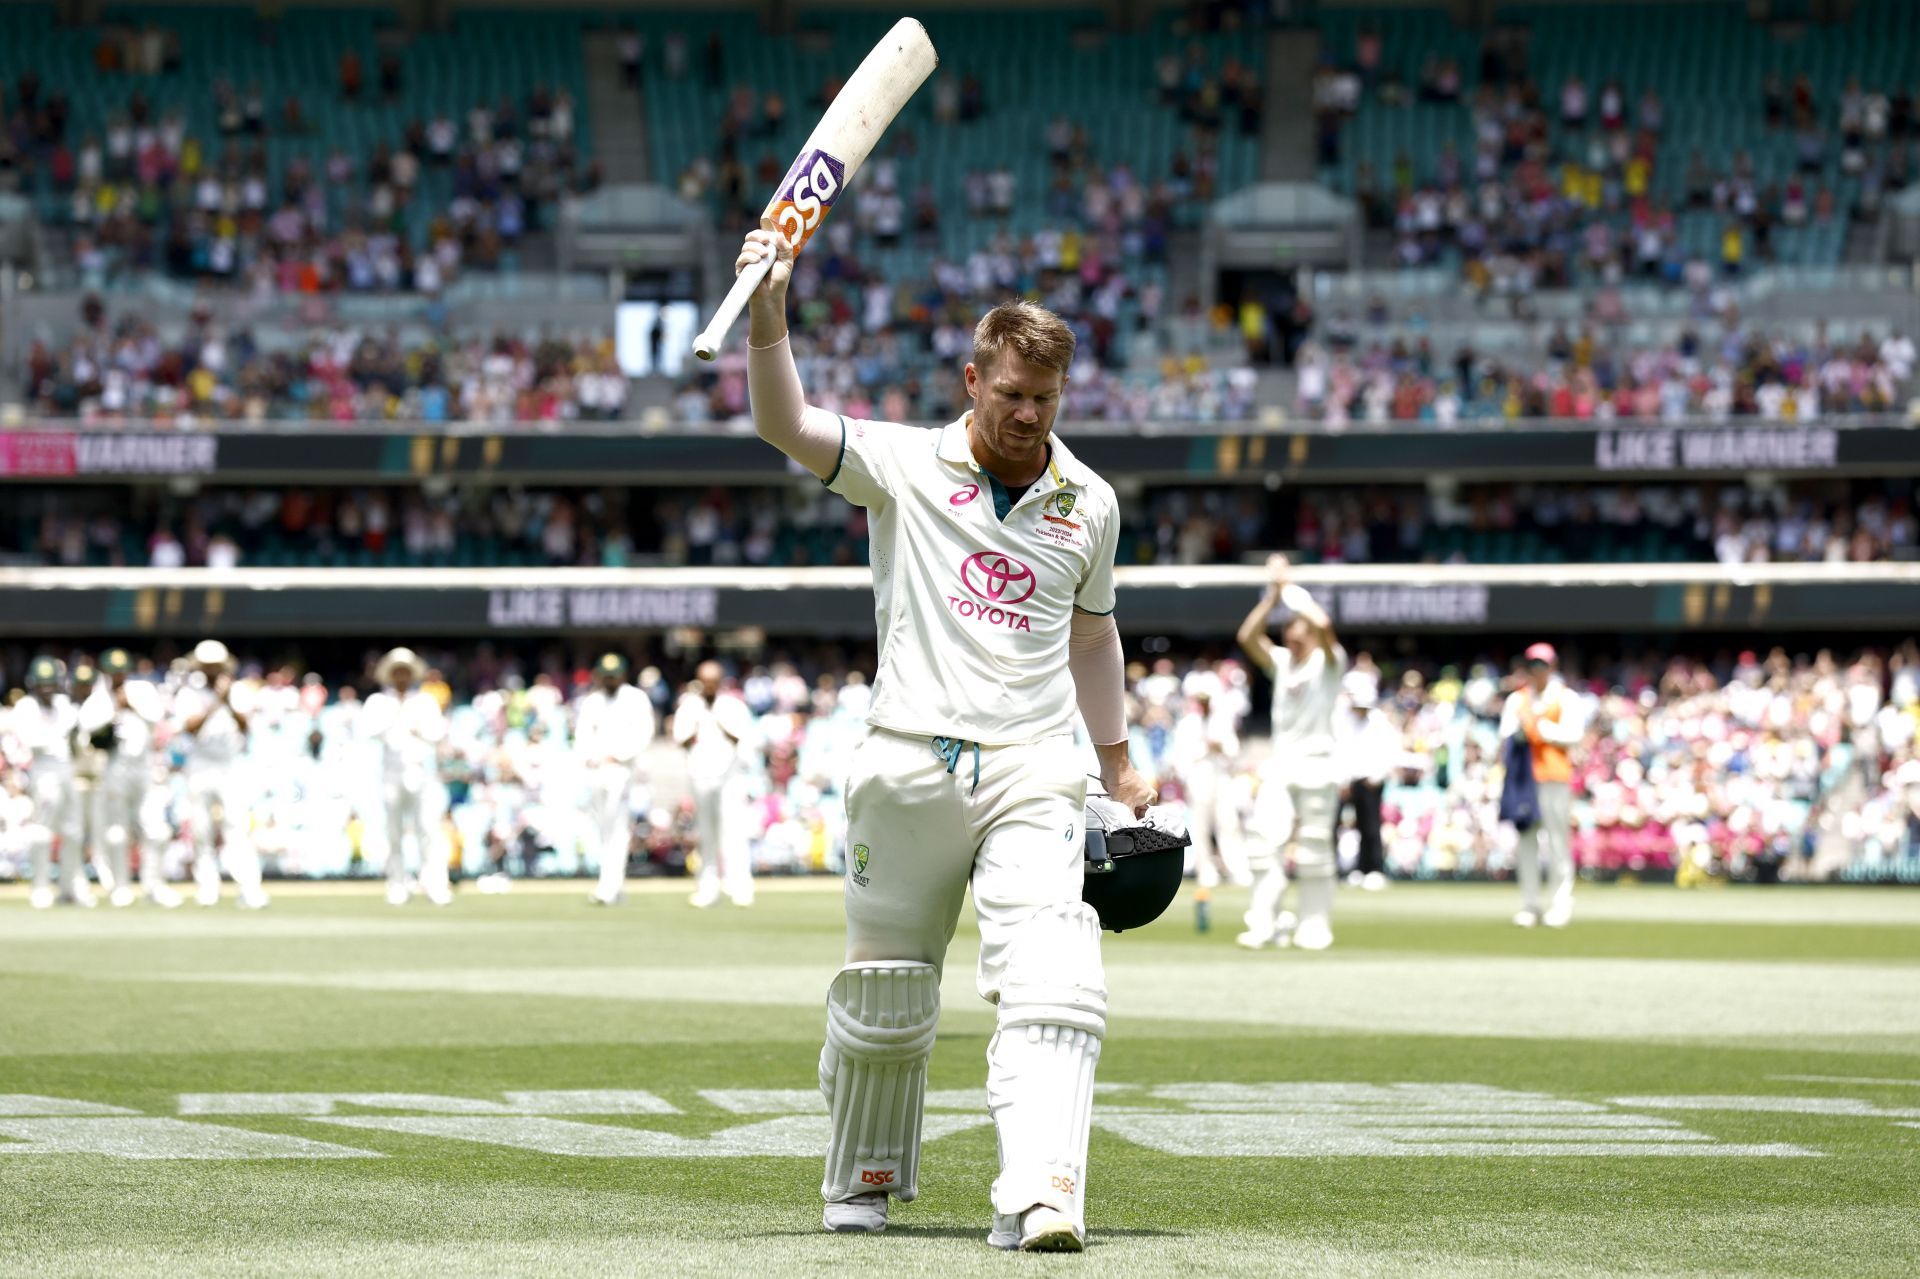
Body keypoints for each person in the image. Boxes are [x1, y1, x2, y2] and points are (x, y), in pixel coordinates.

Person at [735, 222, 1154, 1252]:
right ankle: (865, 1178)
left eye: (1044, 400)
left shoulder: (1087, 501)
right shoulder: (902, 464)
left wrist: (1117, 761)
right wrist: (769, 318)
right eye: (1009, 393)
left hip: (1031, 764)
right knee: (885, 988)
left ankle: (1043, 1193)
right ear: (973, 378)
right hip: (909, 761)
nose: (1025, 415)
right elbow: (784, 423)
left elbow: (1093, 638)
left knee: (1057, 974)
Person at [1235, 554, 1348, 950]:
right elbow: (1247, 638)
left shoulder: (1330, 663)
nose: (1293, 635)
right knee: (1264, 845)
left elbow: (1325, 624)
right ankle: (1263, 923)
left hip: (1319, 765)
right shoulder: (1282, 663)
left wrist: (1290, 589)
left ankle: (1314, 925)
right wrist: (1271, 597)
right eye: (1289, 629)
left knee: (1316, 850)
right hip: (1282, 766)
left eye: (1299, 629)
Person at [171, 639, 270, 909]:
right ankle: (207, 887)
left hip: (230, 765)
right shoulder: (189, 693)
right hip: (200, 764)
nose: (212, 670)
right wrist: (215, 702)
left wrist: (228, 701)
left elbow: (246, 725)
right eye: (208, 666)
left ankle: (249, 888)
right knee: (201, 829)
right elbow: (189, 727)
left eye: (216, 665)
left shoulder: (237, 690)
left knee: (236, 826)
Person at [79, 647, 179, 906]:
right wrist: (113, 711)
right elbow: (87, 727)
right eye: (113, 672)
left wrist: (130, 705)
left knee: (155, 830)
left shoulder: (143, 690)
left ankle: (154, 885)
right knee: (116, 832)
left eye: (121, 671)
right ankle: (120, 886)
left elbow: (156, 717)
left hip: (143, 767)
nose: (118, 676)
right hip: (114, 767)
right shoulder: (99, 698)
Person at [1500, 643, 1584, 927]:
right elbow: (1507, 734)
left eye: (1543, 665)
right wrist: (1524, 732)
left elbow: (1574, 734)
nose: (1538, 671)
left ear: (1553, 667)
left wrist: (1540, 730)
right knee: (1526, 842)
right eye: (1533, 665)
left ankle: (1561, 903)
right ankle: (1531, 903)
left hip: (1554, 777)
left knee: (1558, 842)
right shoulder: (1517, 700)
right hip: (1524, 779)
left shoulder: (1566, 697)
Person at [360, 647, 452, 906]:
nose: (401, 676)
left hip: (421, 773)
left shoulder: (424, 701)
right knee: (394, 831)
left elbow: (436, 734)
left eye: (405, 672)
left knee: (429, 829)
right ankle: (398, 884)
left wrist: (417, 728)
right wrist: (394, 718)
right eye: (397, 672)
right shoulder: (379, 702)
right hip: (392, 773)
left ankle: (435, 884)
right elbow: (368, 730)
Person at [672, 660, 756, 909]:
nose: (708, 686)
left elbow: (742, 738)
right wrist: (698, 725)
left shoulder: (733, 706)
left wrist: (719, 721)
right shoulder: (689, 706)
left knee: (734, 833)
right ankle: (707, 888)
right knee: (706, 834)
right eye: (704, 681)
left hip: (729, 777)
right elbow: (681, 739)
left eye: (713, 681)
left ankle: (740, 886)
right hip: (701, 776)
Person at [573, 652, 655, 906]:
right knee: (602, 829)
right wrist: (588, 757)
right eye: (606, 675)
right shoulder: (593, 701)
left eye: (614, 675)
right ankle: (609, 884)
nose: (610, 680)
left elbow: (644, 733)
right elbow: (582, 735)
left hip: (621, 770)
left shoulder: (635, 698)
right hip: (597, 771)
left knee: (617, 828)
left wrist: (618, 755)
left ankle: (610, 886)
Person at [12, 657, 92, 909]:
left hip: (66, 769)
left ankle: (70, 887)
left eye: (51, 684)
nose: (47, 689)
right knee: (42, 831)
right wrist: (58, 735)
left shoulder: (62, 704)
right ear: (33, 685)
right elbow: (31, 740)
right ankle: (40, 886)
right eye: (42, 684)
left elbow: (77, 734)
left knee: (74, 831)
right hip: (44, 770)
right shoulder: (25, 706)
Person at [1171, 687, 1249, 931]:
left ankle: (1237, 869)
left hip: (1220, 776)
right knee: (1201, 826)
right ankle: (1207, 871)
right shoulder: (1187, 724)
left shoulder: (1221, 721)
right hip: (1199, 776)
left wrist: (1221, 748)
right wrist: (1201, 752)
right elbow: (1181, 756)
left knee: (1229, 823)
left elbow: (1234, 751)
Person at [1337, 669, 1395, 891]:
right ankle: (1354, 870)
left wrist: (1377, 776)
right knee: (1346, 825)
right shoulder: (1344, 720)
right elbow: (1342, 751)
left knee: (1371, 827)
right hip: (1350, 781)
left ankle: (1374, 869)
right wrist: (1344, 781)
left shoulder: (1378, 721)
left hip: (1371, 781)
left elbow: (1389, 750)